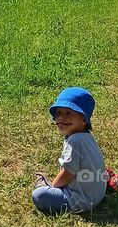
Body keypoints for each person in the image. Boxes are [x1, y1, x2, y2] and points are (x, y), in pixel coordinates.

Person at [32, 87, 107, 215]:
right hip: (97, 195)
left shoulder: (75, 141)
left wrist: (53, 187)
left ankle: (43, 183)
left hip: (81, 201)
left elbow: (68, 173)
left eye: (69, 113)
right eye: (59, 113)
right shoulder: (86, 136)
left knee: (39, 195)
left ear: (83, 119)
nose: (62, 118)